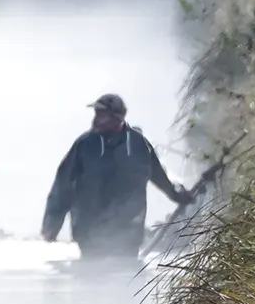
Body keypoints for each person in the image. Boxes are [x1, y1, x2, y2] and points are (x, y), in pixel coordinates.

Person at [42, 94, 192, 260]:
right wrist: (52, 225)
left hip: (128, 230)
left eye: (102, 114)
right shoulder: (84, 145)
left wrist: (178, 194)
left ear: (117, 117)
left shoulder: (138, 145)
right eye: (96, 114)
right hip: (90, 231)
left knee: (126, 278)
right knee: (90, 278)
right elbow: (63, 185)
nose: (96, 119)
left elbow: (160, 175)